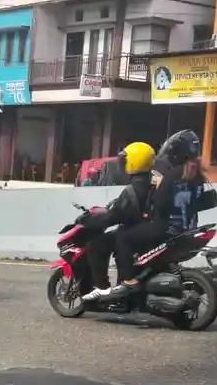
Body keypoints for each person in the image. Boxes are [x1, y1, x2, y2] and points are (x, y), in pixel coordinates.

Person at [86, 129, 204, 301]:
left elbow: (160, 202)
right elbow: (206, 201)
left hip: (166, 227)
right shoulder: (197, 177)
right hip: (189, 225)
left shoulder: (170, 176)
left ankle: (128, 281)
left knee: (124, 238)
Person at [80, 141, 156, 295]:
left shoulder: (133, 189)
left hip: (132, 232)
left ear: (134, 162)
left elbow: (114, 216)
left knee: (95, 245)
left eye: (126, 161)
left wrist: (90, 221)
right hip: (149, 230)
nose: (123, 165)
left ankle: (102, 288)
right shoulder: (153, 182)